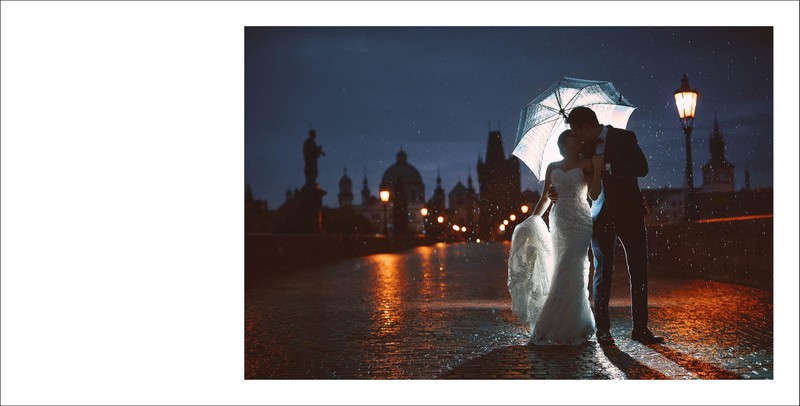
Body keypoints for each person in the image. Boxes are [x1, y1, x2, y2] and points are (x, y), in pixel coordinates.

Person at [563, 106, 665, 345]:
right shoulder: (582, 148)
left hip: (630, 213)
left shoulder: (624, 137)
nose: (576, 137)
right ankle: (603, 329)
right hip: (600, 216)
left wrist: (610, 168)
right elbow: (573, 173)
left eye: (577, 131)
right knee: (602, 273)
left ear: (587, 127)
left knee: (638, 271)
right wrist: (557, 190)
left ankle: (640, 329)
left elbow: (642, 168)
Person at [508, 129, 601, 345]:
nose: (577, 140)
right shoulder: (552, 167)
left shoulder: (587, 164)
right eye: (572, 137)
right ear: (563, 144)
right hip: (559, 221)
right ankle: (569, 322)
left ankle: (563, 322)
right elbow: (544, 199)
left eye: (577, 138)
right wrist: (531, 220)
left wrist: (596, 170)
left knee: (573, 265)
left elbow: (594, 195)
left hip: (580, 219)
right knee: (561, 266)